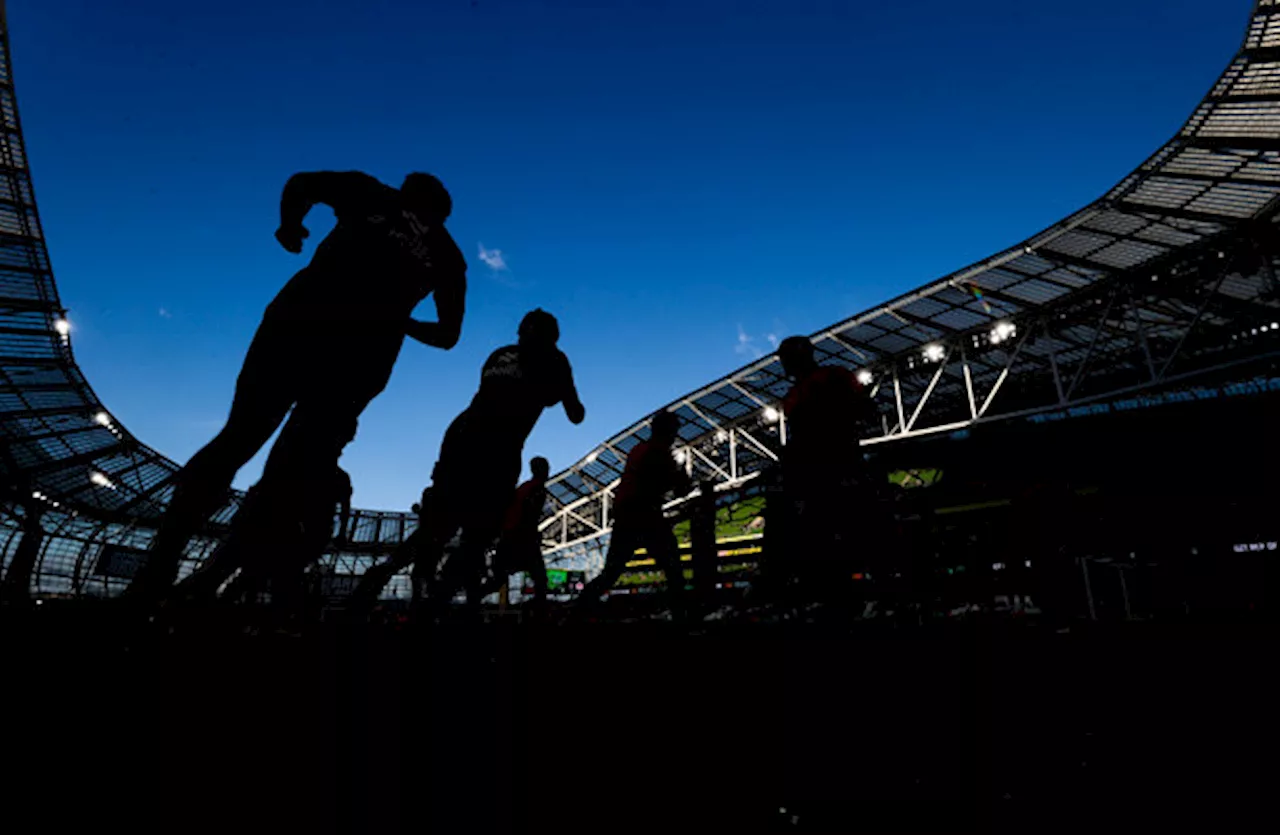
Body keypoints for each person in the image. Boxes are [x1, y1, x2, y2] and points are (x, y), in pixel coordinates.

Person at [125, 170, 466, 604]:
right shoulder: (436, 245)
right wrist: (402, 321)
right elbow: (448, 334)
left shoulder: (396, 212)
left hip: (316, 333)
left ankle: (182, 571)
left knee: (251, 446)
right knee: (271, 460)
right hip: (337, 345)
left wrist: (290, 225)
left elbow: (303, 184)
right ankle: (187, 573)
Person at [350, 309, 585, 616]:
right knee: (475, 534)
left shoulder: (500, 354)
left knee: (442, 526)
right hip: (496, 451)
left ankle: (385, 575)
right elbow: (574, 414)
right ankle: (434, 600)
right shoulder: (555, 361)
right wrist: (567, 391)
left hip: (462, 438)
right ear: (551, 337)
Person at [775, 336, 882, 617]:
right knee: (851, 534)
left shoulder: (799, 395)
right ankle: (863, 598)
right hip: (835, 469)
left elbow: (804, 437)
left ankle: (847, 599)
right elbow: (868, 411)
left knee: (828, 536)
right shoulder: (832, 378)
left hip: (825, 473)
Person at [574, 410, 692, 617]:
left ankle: (580, 606)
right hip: (643, 516)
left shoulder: (640, 449)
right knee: (673, 566)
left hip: (627, 515)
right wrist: (682, 475)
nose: (675, 434)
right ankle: (680, 615)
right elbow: (674, 487)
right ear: (668, 430)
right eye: (674, 429)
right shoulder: (659, 454)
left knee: (612, 571)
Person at [478, 456, 553, 615]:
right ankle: (540, 613)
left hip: (510, 538)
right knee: (540, 579)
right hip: (521, 539)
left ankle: (472, 600)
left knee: (498, 580)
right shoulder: (537, 490)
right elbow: (528, 515)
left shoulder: (524, 488)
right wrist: (532, 534)